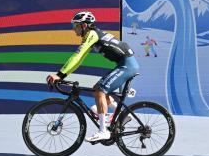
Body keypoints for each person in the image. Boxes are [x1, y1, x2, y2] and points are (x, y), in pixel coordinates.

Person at [46, 11, 139, 143]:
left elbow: (77, 56)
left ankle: (103, 131)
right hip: (125, 64)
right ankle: (122, 114)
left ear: (84, 25)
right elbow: (79, 60)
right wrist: (62, 75)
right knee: (97, 88)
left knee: (100, 91)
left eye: (75, 25)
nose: (74, 29)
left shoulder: (92, 34)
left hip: (127, 65)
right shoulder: (93, 35)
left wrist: (59, 75)